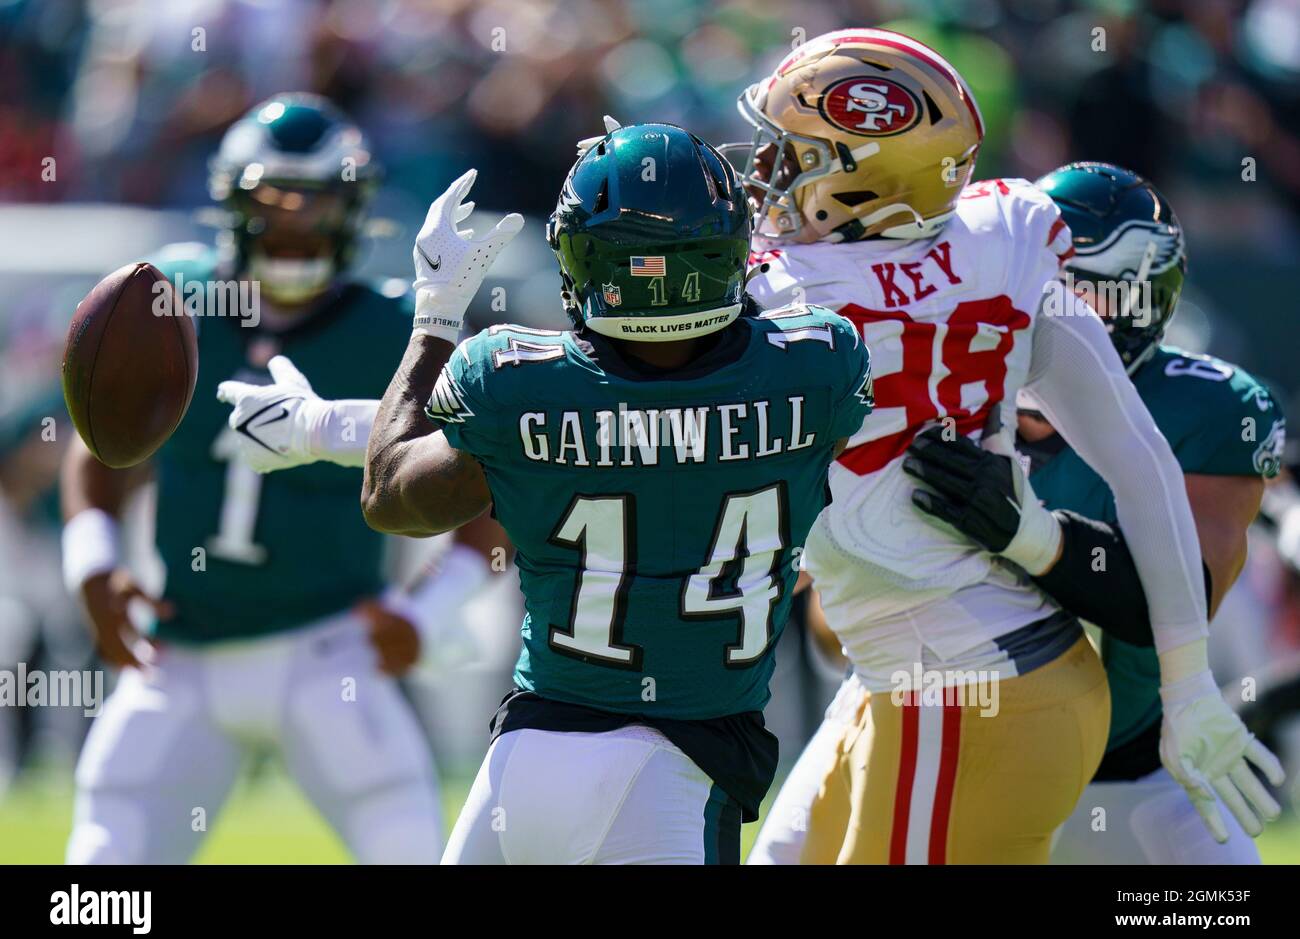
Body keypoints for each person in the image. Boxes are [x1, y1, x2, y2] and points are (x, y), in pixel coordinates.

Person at [216, 121, 874, 864]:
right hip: (684, 765)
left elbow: (395, 492)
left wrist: (431, 317)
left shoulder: (516, 384)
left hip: (530, 756)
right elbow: (680, 422)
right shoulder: (818, 368)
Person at [736, 29, 1281, 864]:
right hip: (924, 673)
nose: (769, 176)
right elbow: (1140, 461)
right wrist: (1192, 682)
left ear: (862, 183)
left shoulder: (784, 296)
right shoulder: (1005, 245)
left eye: (795, 156)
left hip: (970, 689)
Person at [61, 93, 459, 864]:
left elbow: (485, 483)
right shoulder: (167, 301)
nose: (293, 225)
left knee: (409, 846)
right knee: (103, 868)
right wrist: (95, 563)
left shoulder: (395, 332)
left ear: (353, 211)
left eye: (317, 207)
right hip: (179, 647)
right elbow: (98, 443)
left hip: (333, 649)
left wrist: (432, 612)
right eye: (273, 205)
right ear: (231, 205)